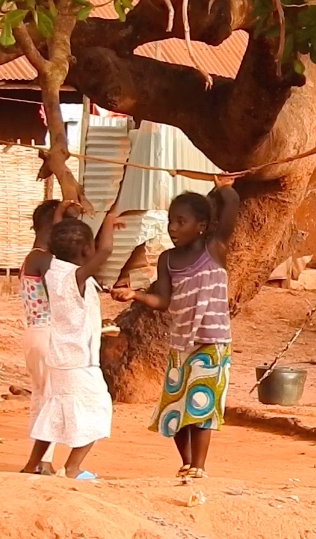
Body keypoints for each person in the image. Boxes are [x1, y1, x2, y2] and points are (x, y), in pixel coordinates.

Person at [112, 177, 240, 480]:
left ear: (202, 226)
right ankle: (186, 463)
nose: (172, 228)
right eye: (171, 221)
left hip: (213, 342)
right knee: (175, 408)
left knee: (201, 405)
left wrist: (225, 189)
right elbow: (163, 300)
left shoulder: (214, 248)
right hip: (181, 344)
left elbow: (232, 206)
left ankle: (200, 466)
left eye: (180, 222)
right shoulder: (168, 260)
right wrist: (136, 295)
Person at [26, 208, 122, 480]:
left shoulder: (53, 269)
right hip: (79, 360)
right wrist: (110, 224)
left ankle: (33, 463)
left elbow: (61, 235)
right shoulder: (74, 277)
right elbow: (105, 253)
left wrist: (60, 216)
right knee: (97, 408)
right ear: (85, 251)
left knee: (54, 411)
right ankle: (73, 467)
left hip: (60, 357)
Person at [19, 199, 74, 476]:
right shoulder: (43, 259)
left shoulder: (35, 256)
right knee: (50, 398)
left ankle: (40, 459)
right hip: (46, 333)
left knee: (41, 397)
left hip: (35, 333)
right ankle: (43, 461)